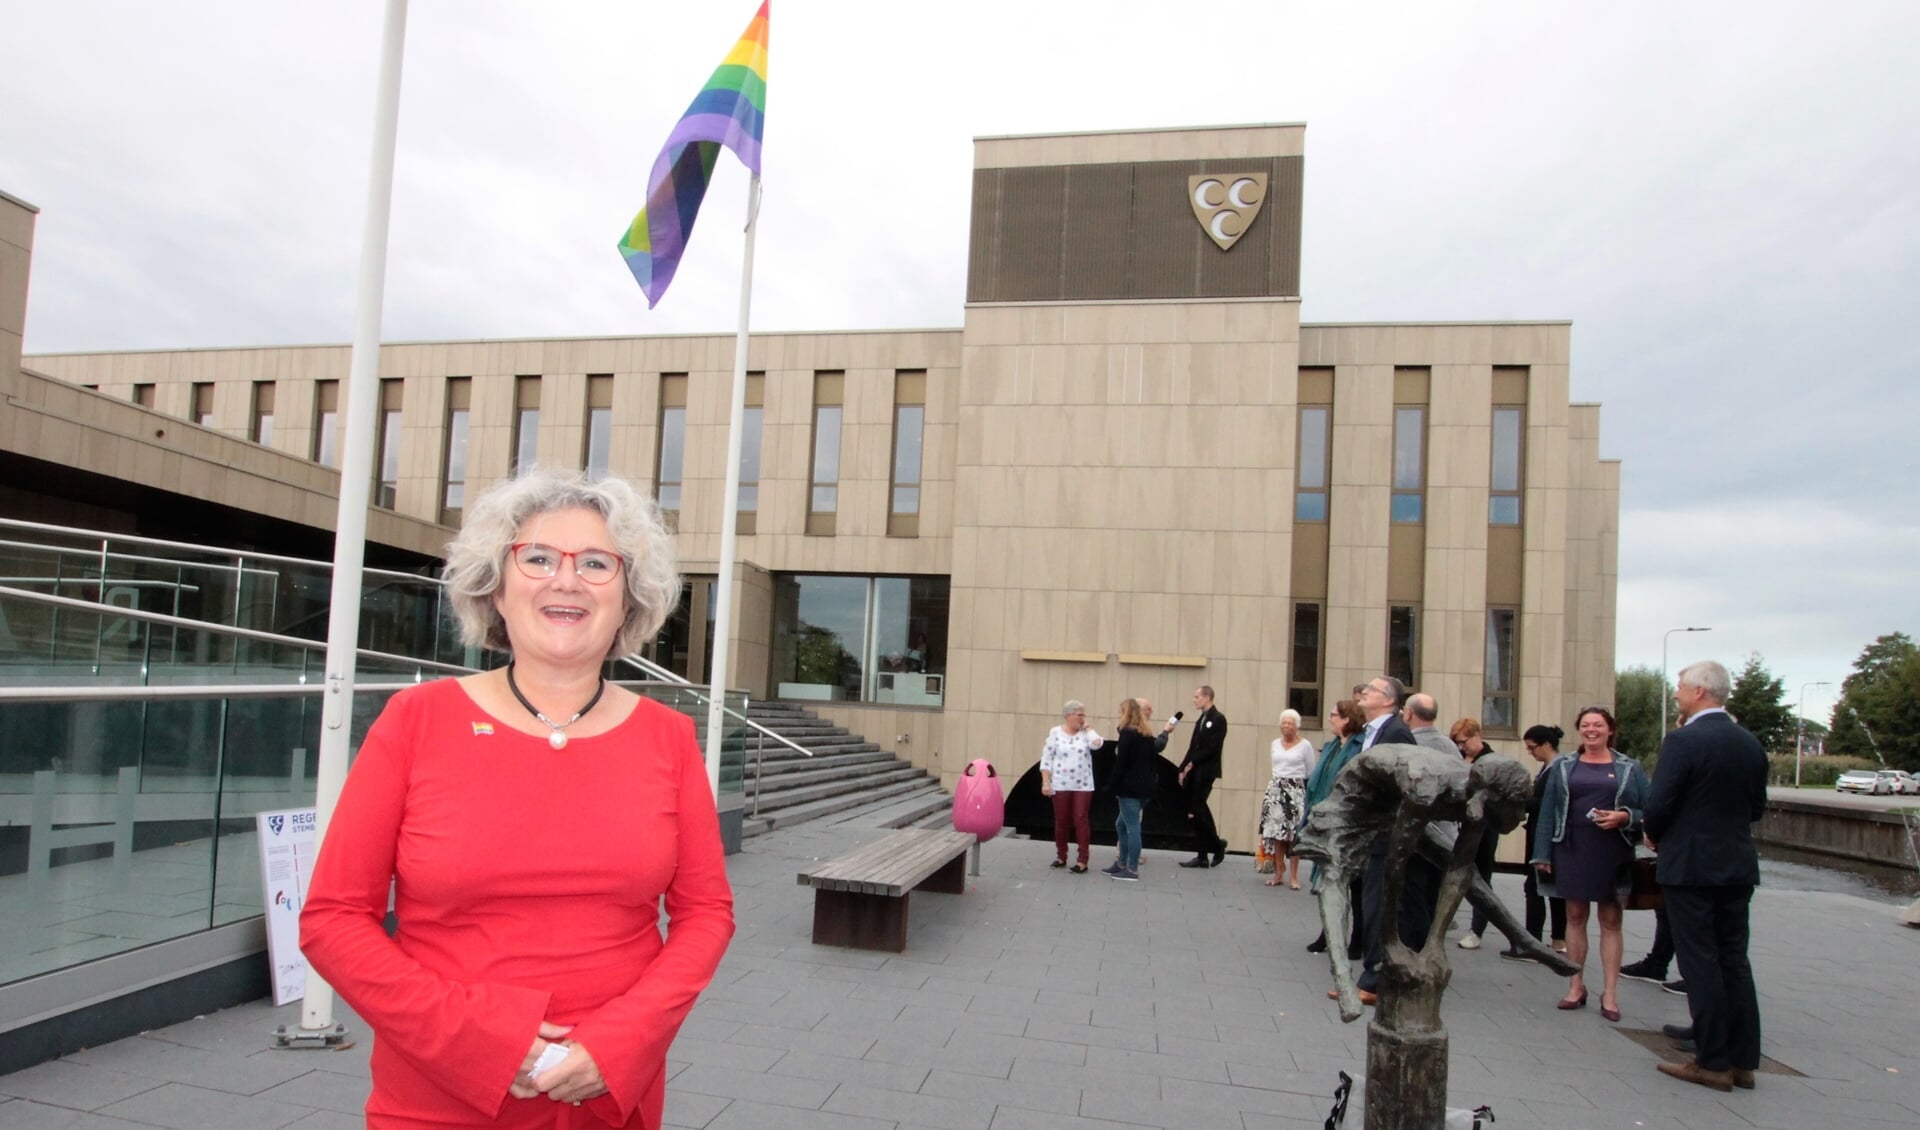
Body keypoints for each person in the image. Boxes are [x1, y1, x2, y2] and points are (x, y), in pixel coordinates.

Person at [300, 469, 735, 1129]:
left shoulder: (668, 739)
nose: (566, 580)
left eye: (596, 563)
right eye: (536, 558)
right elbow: (333, 919)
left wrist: (617, 1044)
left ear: (628, 597)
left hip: (607, 1101)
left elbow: (706, 915)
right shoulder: (416, 721)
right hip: (437, 1099)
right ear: (496, 587)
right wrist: (485, 1046)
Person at [1643, 660, 1769, 1093]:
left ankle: (1711, 1061)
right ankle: (1743, 1061)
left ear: (1699, 692)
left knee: (1700, 960)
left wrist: (1656, 835)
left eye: (1679, 687)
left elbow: (1658, 803)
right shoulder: (1750, 743)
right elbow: (1756, 808)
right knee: (1735, 959)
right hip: (1737, 864)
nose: (1676, 693)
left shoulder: (1683, 740)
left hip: (1691, 866)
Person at [1531, 706, 1648, 1024]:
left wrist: (1625, 817)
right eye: (1585, 725)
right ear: (1579, 729)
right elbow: (1549, 809)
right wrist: (1542, 854)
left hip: (1613, 850)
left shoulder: (1629, 767)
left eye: (1598, 725)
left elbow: (1649, 809)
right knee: (1575, 916)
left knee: (1611, 920)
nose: (1591, 730)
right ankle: (1575, 985)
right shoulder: (1564, 765)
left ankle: (1609, 993)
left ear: (1610, 730)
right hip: (1571, 848)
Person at [1302, 697, 1367, 956]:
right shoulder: (1331, 747)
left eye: (1333, 715)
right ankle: (1328, 933)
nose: (1329, 719)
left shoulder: (1359, 747)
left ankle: (1358, 939)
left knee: (1355, 886)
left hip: (1348, 824)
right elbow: (1318, 782)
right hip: (1327, 820)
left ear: (1346, 719)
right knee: (1329, 882)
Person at [1500, 724, 1569, 962]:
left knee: (1535, 886)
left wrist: (1522, 801)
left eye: (1532, 748)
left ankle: (1533, 940)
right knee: (1552, 890)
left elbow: (1545, 804)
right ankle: (1558, 939)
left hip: (1544, 835)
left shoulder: (1555, 769)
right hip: (1542, 832)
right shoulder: (1550, 768)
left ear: (1546, 744)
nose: (1531, 753)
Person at [1448, 718, 1502, 950]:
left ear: (1476, 735)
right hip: (1457, 823)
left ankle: (1476, 929)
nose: (1462, 747)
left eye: (1464, 742)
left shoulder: (1491, 760)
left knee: (1481, 877)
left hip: (1483, 827)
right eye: (1457, 744)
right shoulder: (1458, 759)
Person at [1105, 698, 1168, 882]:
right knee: (1121, 824)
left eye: (1120, 711)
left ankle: (1131, 868)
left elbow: (1121, 762)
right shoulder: (1147, 734)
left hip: (1129, 788)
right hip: (1145, 787)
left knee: (1132, 827)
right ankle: (1122, 863)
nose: (1118, 714)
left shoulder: (1127, 733)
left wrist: (1111, 785)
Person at [1040, 700, 1104, 873]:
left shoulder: (1085, 734)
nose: (1083, 718)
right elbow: (1046, 759)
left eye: (1083, 715)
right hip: (1060, 783)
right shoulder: (1055, 733)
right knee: (1061, 820)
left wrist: (1089, 729)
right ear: (1069, 715)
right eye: (1080, 715)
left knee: (1080, 819)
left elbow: (1097, 744)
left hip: (1082, 785)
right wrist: (1046, 781)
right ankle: (1061, 855)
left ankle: (1082, 859)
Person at [1261, 708, 1316, 889]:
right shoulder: (1275, 743)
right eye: (1283, 723)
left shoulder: (1305, 745)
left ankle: (1294, 876)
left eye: (1290, 723)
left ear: (1297, 726)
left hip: (1296, 791)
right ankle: (1278, 872)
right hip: (1276, 790)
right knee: (1277, 834)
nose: (1286, 726)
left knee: (1293, 835)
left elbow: (1310, 771)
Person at [1175, 685, 1229, 868]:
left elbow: (1212, 748)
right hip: (1195, 771)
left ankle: (1217, 845)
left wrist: (1193, 763)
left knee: (1197, 810)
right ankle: (1203, 854)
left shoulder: (1218, 719)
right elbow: (1193, 746)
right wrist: (1182, 767)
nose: (1194, 700)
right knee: (1198, 811)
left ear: (1207, 697)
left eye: (1197, 696)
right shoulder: (1201, 719)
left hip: (1206, 772)